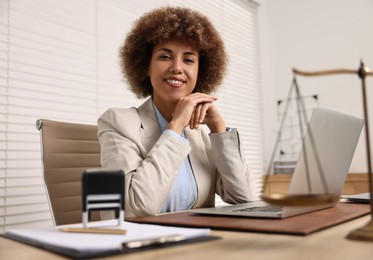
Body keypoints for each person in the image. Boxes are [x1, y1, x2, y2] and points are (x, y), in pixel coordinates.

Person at [97, 6, 255, 219]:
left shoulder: (202, 133)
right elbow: (137, 206)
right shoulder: (118, 122)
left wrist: (219, 129)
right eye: (165, 57)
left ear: (200, 71)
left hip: (197, 243)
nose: (177, 68)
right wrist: (175, 127)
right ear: (146, 66)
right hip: (141, 246)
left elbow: (244, 198)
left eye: (188, 60)